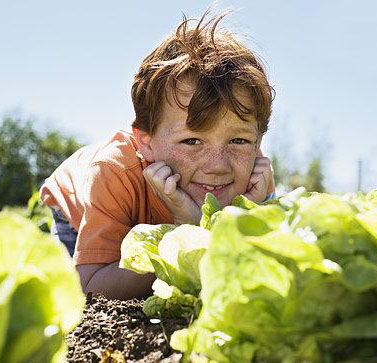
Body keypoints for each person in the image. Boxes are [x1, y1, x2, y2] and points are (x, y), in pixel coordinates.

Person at [40, 9, 276, 300]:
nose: (218, 166)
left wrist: (247, 217)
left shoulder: (256, 176)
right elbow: (90, 284)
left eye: (238, 140)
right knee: (62, 284)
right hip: (74, 207)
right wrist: (185, 235)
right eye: (191, 141)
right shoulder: (114, 173)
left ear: (258, 141)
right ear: (146, 143)